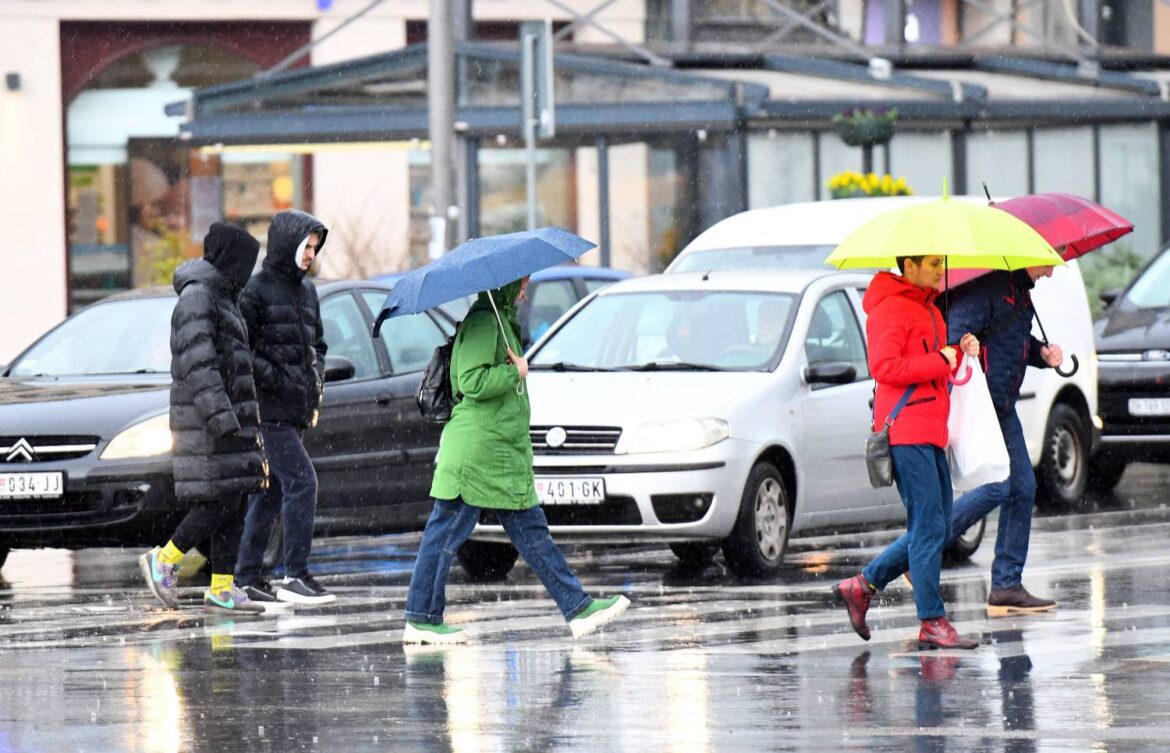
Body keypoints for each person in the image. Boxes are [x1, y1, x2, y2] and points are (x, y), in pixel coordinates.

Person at [402, 275, 630, 644]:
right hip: (477, 456)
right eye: (522, 283)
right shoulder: (484, 321)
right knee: (443, 536)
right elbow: (470, 382)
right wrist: (515, 371)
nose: (526, 290)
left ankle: (578, 607)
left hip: (497, 453)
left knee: (531, 534)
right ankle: (422, 618)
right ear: (507, 284)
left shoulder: (500, 319)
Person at [832, 255, 981, 649]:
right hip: (907, 430)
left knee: (938, 524)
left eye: (941, 263)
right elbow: (884, 367)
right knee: (930, 525)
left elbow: (931, 361)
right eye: (931, 263)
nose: (939, 270)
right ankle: (932, 619)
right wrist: (939, 359)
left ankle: (862, 585)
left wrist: (958, 349)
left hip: (932, 429)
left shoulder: (929, 307)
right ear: (908, 265)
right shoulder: (891, 309)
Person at [139, 223, 268, 614]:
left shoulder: (224, 297)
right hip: (212, 422)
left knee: (235, 497)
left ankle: (223, 587)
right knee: (218, 501)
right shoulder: (198, 297)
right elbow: (199, 365)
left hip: (233, 417)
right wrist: (221, 415)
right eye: (247, 262)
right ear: (231, 260)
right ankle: (164, 559)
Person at [944, 265, 1062, 615]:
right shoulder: (987, 289)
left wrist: (1041, 354)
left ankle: (1007, 584)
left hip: (1003, 406)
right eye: (1047, 264)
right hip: (982, 407)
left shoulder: (1020, 292)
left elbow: (1012, 343)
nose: (1050, 272)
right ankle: (921, 549)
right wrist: (966, 344)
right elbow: (954, 335)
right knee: (1001, 486)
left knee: (1023, 486)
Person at [233, 210, 335, 606]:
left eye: (314, 247)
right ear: (286, 244)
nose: (310, 254)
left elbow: (318, 344)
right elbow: (241, 348)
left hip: (292, 409)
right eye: (305, 246)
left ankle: (246, 576)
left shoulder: (306, 291)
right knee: (302, 482)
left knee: (271, 491)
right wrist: (276, 378)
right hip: (267, 409)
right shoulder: (255, 290)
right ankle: (295, 574)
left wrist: (315, 376)